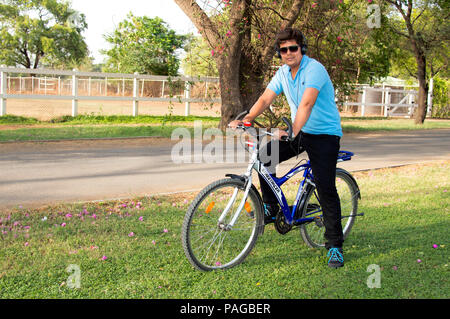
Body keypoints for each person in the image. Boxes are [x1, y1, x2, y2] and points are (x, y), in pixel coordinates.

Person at [229, 28, 345, 269]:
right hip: (301, 131)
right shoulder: (282, 73)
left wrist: (293, 129)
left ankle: (334, 245)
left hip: (324, 134)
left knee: (325, 187)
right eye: (284, 50)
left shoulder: (314, 69)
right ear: (279, 53)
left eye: (293, 48)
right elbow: (265, 99)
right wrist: (247, 119)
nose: (289, 53)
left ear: (302, 48)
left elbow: (307, 102)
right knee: (264, 156)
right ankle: (271, 208)